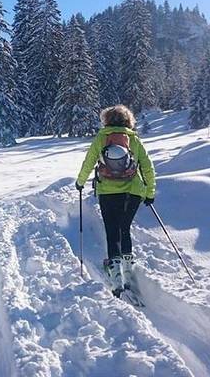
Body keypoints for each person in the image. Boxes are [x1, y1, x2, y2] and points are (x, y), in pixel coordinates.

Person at [75, 105, 155, 295]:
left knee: (112, 229)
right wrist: (150, 192)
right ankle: (128, 267)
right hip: (133, 192)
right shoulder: (133, 139)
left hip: (108, 191)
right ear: (128, 121)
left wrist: (80, 182)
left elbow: (89, 161)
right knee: (124, 227)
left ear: (107, 120)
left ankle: (115, 270)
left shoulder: (102, 138)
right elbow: (147, 167)